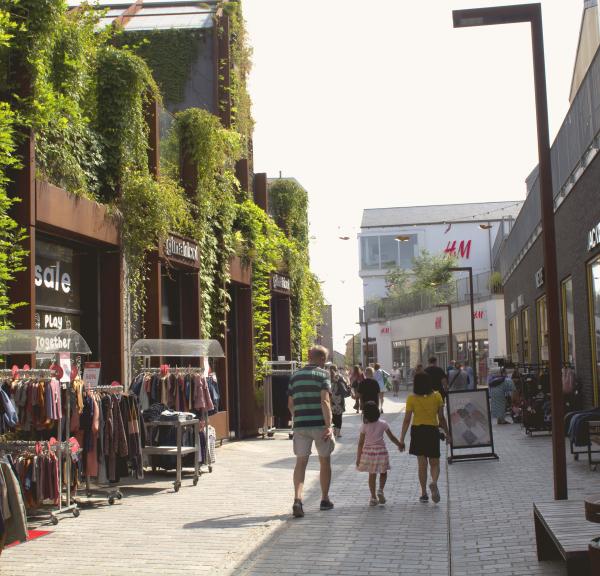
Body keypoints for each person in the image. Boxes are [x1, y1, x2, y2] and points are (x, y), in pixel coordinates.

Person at [288, 345, 335, 518]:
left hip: (301, 425)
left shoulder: (294, 376)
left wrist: (298, 418)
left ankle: (298, 499)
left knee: (301, 463)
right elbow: (325, 401)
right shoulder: (323, 375)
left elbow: (290, 404)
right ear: (322, 359)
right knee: (325, 462)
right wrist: (329, 425)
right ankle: (324, 499)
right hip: (320, 425)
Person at [399, 373, 450, 503]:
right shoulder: (437, 396)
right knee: (435, 462)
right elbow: (442, 418)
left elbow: (406, 420)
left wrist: (401, 439)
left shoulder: (411, 398)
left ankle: (423, 493)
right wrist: (448, 433)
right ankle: (433, 482)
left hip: (418, 431)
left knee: (422, 465)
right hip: (432, 431)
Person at [356, 401, 401, 506]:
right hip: (381, 452)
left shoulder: (364, 426)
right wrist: (399, 444)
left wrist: (358, 458)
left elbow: (360, 443)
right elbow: (392, 437)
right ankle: (380, 489)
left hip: (369, 453)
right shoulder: (383, 423)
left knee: (372, 475)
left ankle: (373, 497)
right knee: (383, 472)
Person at [330, 365, 348, 438]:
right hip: (339, 399)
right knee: (339, 416)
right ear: (336, 369)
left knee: (333, 416)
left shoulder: (327, 377)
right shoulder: (340, 376)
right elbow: (346, 384)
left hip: (331, 400)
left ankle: (334, 431)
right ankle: (338, 432)